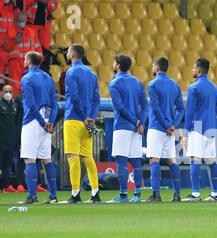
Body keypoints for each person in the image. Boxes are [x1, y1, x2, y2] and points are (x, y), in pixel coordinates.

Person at [107, 54, 148, 203]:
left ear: (117, 65)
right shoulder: (137, 82)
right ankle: (137, 195)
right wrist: (140, 122)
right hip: (136, 129)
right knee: (136, 162)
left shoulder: (114, 83)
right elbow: (145, 105)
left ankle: (123, 195)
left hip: (123, 126)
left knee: (121, 162)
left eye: (114, 62)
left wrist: (135, 121)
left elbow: (120, 107)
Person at [63, 44, 101, 203]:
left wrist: (84, 116)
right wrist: (91, 116)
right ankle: (95, 193)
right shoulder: (92, 74)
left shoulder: (71, 72)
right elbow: (96, 98)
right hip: (88, 121)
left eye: (68, 51)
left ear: (72, 54)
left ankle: (75, 193)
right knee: (88, 157)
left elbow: (74, 97)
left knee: (73, 156)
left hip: (73, 118)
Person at [19, 51, 58, 204]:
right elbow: (54, 102)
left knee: (30, 159)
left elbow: (29, 104)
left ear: (28, 60)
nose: (23, 60)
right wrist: (50, 122)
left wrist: (42, 123)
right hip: (48, 119)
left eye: (24, 58)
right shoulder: (47, 77)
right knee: (47, 159)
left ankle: (32, 196)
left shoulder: (26, 78)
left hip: (33, 121)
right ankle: (53, 196)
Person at [146, 57, 184, 202]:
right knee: (172, 161)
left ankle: (156, 194)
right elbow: (181, 109)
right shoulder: (175, 85)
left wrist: (165, 126)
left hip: (157, 127)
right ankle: (177, 194)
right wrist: (172, 125)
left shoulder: (152, 84)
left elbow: (155, 108)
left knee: (154, 159)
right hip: (170, 130)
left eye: (153, 66)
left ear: (156, 67)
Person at [182, 58, 217, 202]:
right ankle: (215, 194)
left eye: (193, 68)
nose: (192, 70)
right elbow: (215, 109)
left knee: (195, 160)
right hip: (211, 128)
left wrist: (186, 132)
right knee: (212, 161)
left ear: (199, 70)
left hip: (197, 128)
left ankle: (196, 194)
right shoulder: (215, 88)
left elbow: (190, 112)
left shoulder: (194, 88)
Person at [7, 11, 42, 95]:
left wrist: (38, 62)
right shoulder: (10, 31)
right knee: (15, 86)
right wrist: (14, 41)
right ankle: (16, 106)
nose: (21, 23)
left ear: (26, 20)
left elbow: (38, 48)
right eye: (19, 21)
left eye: (22, 20)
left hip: (30, 64)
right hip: (15, 64)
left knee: (30, 86)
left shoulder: (32, 32)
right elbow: (5, 47)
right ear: (15, 21)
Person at [0, 84, 21, 192]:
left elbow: (17, 122)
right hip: (1, 139)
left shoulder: (15, 105)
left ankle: (7, 185)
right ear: (2, 93)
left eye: (10, 91)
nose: (8, 93)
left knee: (7, 164)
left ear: (13, 93)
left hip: (11, 140)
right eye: (5, 91)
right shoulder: (0, 104)